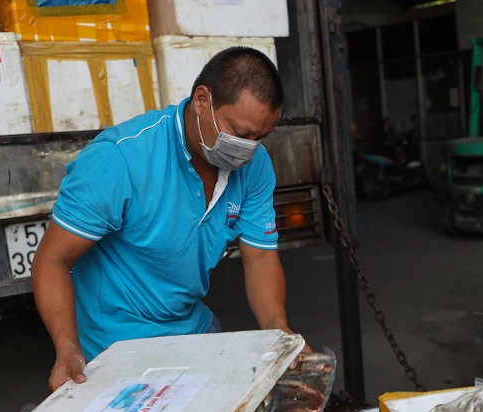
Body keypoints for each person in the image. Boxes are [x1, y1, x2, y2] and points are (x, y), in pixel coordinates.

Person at [33, 47, 305, 391]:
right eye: (239, 132)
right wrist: (67, 348)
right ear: (202, 100)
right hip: (116, 346)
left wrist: (279, 330)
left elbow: (261, 260)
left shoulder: (256, 166)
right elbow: (53, 260)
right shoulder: (119, 159)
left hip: (193, 328)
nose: (247, 149)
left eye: (260, 137)